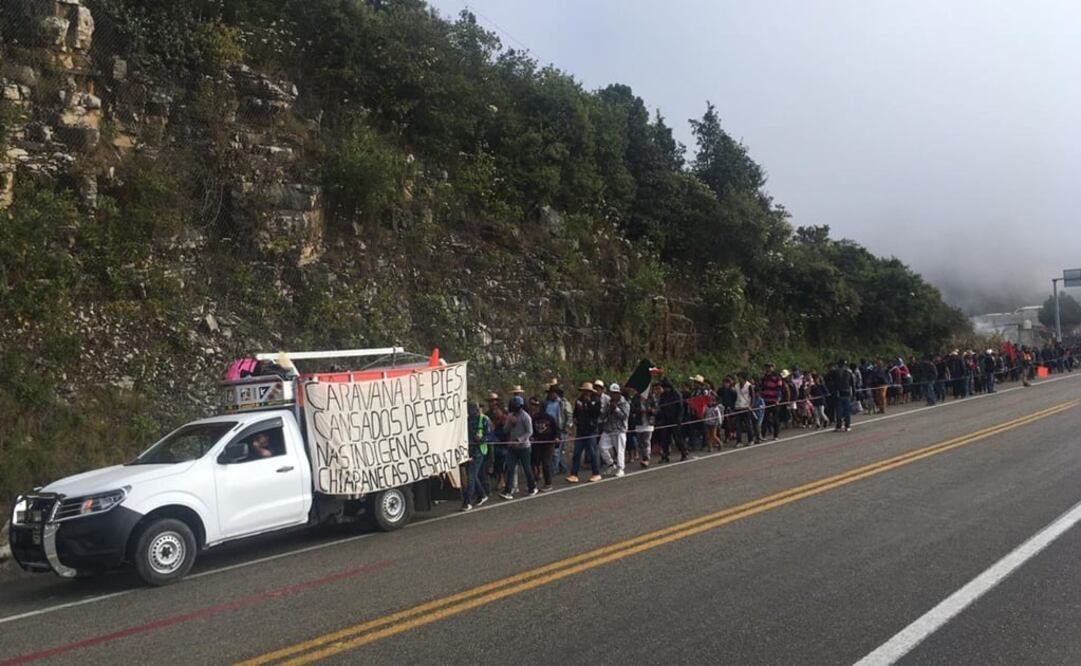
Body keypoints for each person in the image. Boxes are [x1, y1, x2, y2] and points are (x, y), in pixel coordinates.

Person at [499, 396, 537, 499]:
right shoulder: (510, 416)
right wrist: (510, 423)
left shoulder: (526, 417)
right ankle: (508, 490)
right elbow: (505, 430)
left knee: (526, 468)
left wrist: (518, 440)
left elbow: (529, 432)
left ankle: (532, 487)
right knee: (510, 468)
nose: (516, 409)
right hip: (513, 448)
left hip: (524, 447)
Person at [567, 382, 602, 483]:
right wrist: (575, 419)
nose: (586, 393)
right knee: (577, 453)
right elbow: (575, 412)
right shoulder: (579, 400)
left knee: (592, 452)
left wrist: (589, 404)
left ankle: (596, 473)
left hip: (591, 430)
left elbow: (596, 414)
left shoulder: (596, 400)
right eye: (584, 391)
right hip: (580, 430)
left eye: (588, 391)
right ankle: (574, 474)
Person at [461, 403, 491, 511]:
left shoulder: (483, 420)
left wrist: (481, 439)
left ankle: (467, 501)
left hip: (479, 451)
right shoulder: (466, 421)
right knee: (473, 475)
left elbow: (490, 436)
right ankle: (482, 494)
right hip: (468, 451)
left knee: (471, 476)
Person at [598, 383, 630, 477]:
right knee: (601, 447)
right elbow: (603, 415)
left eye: (615, 393)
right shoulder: (608, 402)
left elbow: (624, 416)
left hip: (619, 430)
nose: (613, 395)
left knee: (620, 450)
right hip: (608, 429)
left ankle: (620, 469)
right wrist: (608, 409)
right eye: (612, 393)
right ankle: (611, 464)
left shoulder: (625, 403)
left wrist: (616, 409)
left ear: (619, 393)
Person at [529, 397, 559, 492]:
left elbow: (556, 429)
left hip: (549, 443)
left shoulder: (550, 418)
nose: (537, 408)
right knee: (535, 460)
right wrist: (532, 437)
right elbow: (533, 430)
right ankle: (533, 481)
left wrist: (557, 438)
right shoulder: (535, 418)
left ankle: (548, 483)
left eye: (538, 406)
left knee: (546, 463)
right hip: (538, 442)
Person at [544, 381, 573, 475]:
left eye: (551, 393)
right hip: (549, 430)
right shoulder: (547, 404)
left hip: (560, 430)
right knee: (557, 452)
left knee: (556, 451)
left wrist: (568, 426)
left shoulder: (563, 403)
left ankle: (554, 470)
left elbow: (569, 415)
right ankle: (562, 468)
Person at [655, 380, 688, 462]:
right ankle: (665, 455)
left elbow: (680, 408)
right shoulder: (663, 395)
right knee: (664, 438)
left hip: (675, 419)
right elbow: (661, 406)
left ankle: (684, 452)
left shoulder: (676, 394)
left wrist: (679, 419)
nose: (665, 389)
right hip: (665, 420)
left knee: (677, 438)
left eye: (666, 388)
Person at [826, 359, 855, 432]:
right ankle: (847, 426)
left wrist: (832, 386)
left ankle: (839, 426)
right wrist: (854, 394)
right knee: (847, 410)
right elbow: (852, 384)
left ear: (838, 364)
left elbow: (826, 378)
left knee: (839, 410)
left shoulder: (834, 372)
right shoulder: (849, 372)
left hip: (838, 393)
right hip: (847, 393)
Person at [733, 372, 760, 445]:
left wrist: (751, 406)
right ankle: (739, 441)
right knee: (738, 426)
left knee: (748, 425)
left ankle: (750, 439)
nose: (738, 379)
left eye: (740, 377)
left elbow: (753, 397)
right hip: (738, 407)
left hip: (746, 407)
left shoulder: (749, 386)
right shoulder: (736, 386)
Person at [759, 363, 783, 440]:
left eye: (770, 367)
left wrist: (778, 399)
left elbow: (779, 388)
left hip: (774, 400)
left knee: (775, 419)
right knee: (765, 418)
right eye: (767, 367)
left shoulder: (777, 377)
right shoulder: (764, 377)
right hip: (765, 400)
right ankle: (763, 435)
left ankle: (776, 435)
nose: (768, 369)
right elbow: (762, 388)